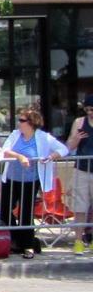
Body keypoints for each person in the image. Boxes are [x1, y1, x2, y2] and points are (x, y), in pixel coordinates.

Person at [0, 108, 67, 259]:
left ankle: (27, 245)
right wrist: (19, 156)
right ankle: (18, 239)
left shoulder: (43, 137)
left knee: (26, 213)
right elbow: (5, 150)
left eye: (22, 121)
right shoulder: (15, 134)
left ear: (31, 123)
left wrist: (51, 156)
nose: (19, 123)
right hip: (11, 179)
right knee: (4, 209)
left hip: (31, 181)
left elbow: (63, 149)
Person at [66, 95, 93, 254]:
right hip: (81, 169)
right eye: (87, 109)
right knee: (80, 207)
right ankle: (78, 241)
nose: (90, 112)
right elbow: (69, 146)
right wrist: (76, 138)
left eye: (92, 109)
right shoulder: (79, 122)